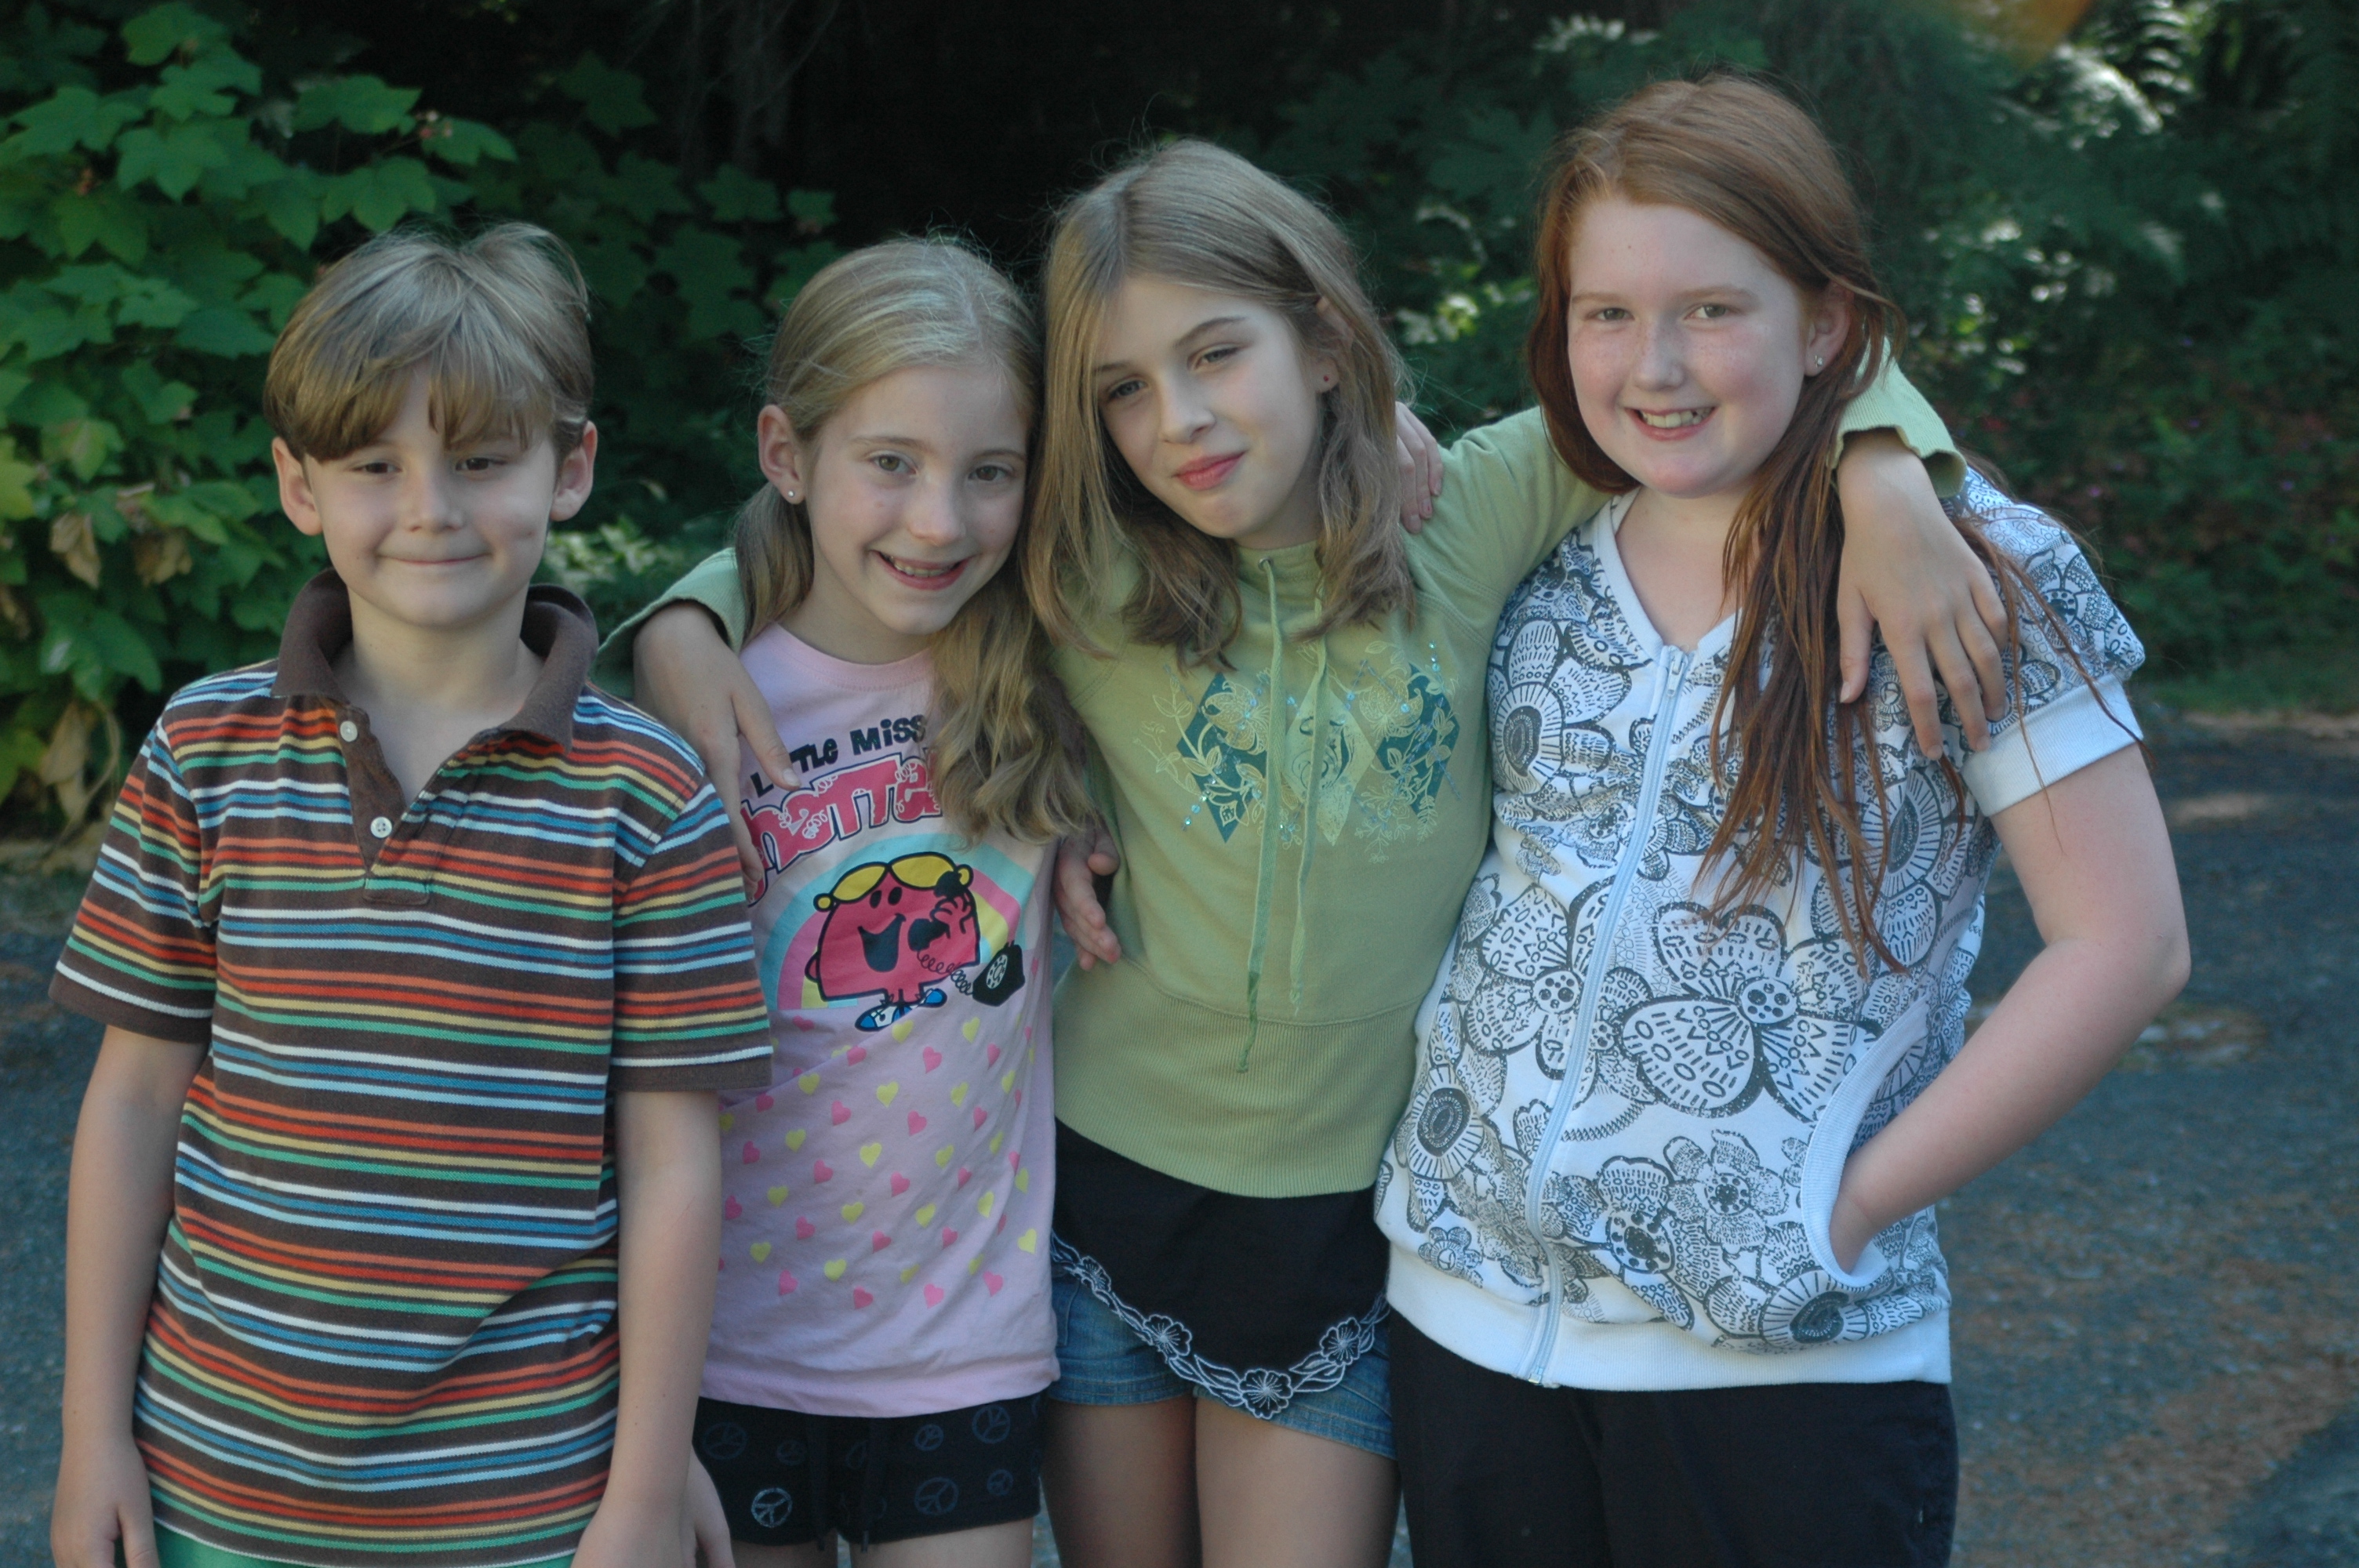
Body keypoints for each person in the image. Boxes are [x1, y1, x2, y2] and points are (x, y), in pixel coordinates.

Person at [621, 140, 1996, 1568]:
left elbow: (1733, 374)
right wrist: (687, 619)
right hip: (1103, 1209)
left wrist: (1886, 468)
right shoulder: (1079, 568)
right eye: (1123, 389)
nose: (1181, 419)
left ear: (1327, 340)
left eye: (1218, 354)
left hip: (1346, 1221)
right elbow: (870, 532)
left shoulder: (1472, 512)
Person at [1374, 75, 2189, 1568]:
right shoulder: (1536, 556)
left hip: (1785, 1368)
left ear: (1825, 325)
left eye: (1711, 310)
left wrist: (1844, 1209)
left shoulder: (1972, 568)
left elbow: (2125, 947)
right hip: (1467, 1324)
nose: (1654, 365)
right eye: (1606, 314)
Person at [46, 225, 772, 1568]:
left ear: (571, 469)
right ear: (299, 485)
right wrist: (92, 1435)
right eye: (375, 466)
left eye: (481, 459)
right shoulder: (203, 753)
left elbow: (672, 1166)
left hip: (531, 1501)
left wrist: (643, 1490)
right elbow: (134, 1102)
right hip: (220, 1483)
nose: (432, 507)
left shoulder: (648, 795)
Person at [594, 239, 1095, 1567]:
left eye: (990, 472)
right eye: (891, 462)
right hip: (721, 1345)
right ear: (785, 452)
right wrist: (681, 621)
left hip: (964, 1345)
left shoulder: (1055, 668)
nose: (939, 523)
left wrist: (1378, 423)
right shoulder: (697, 701)